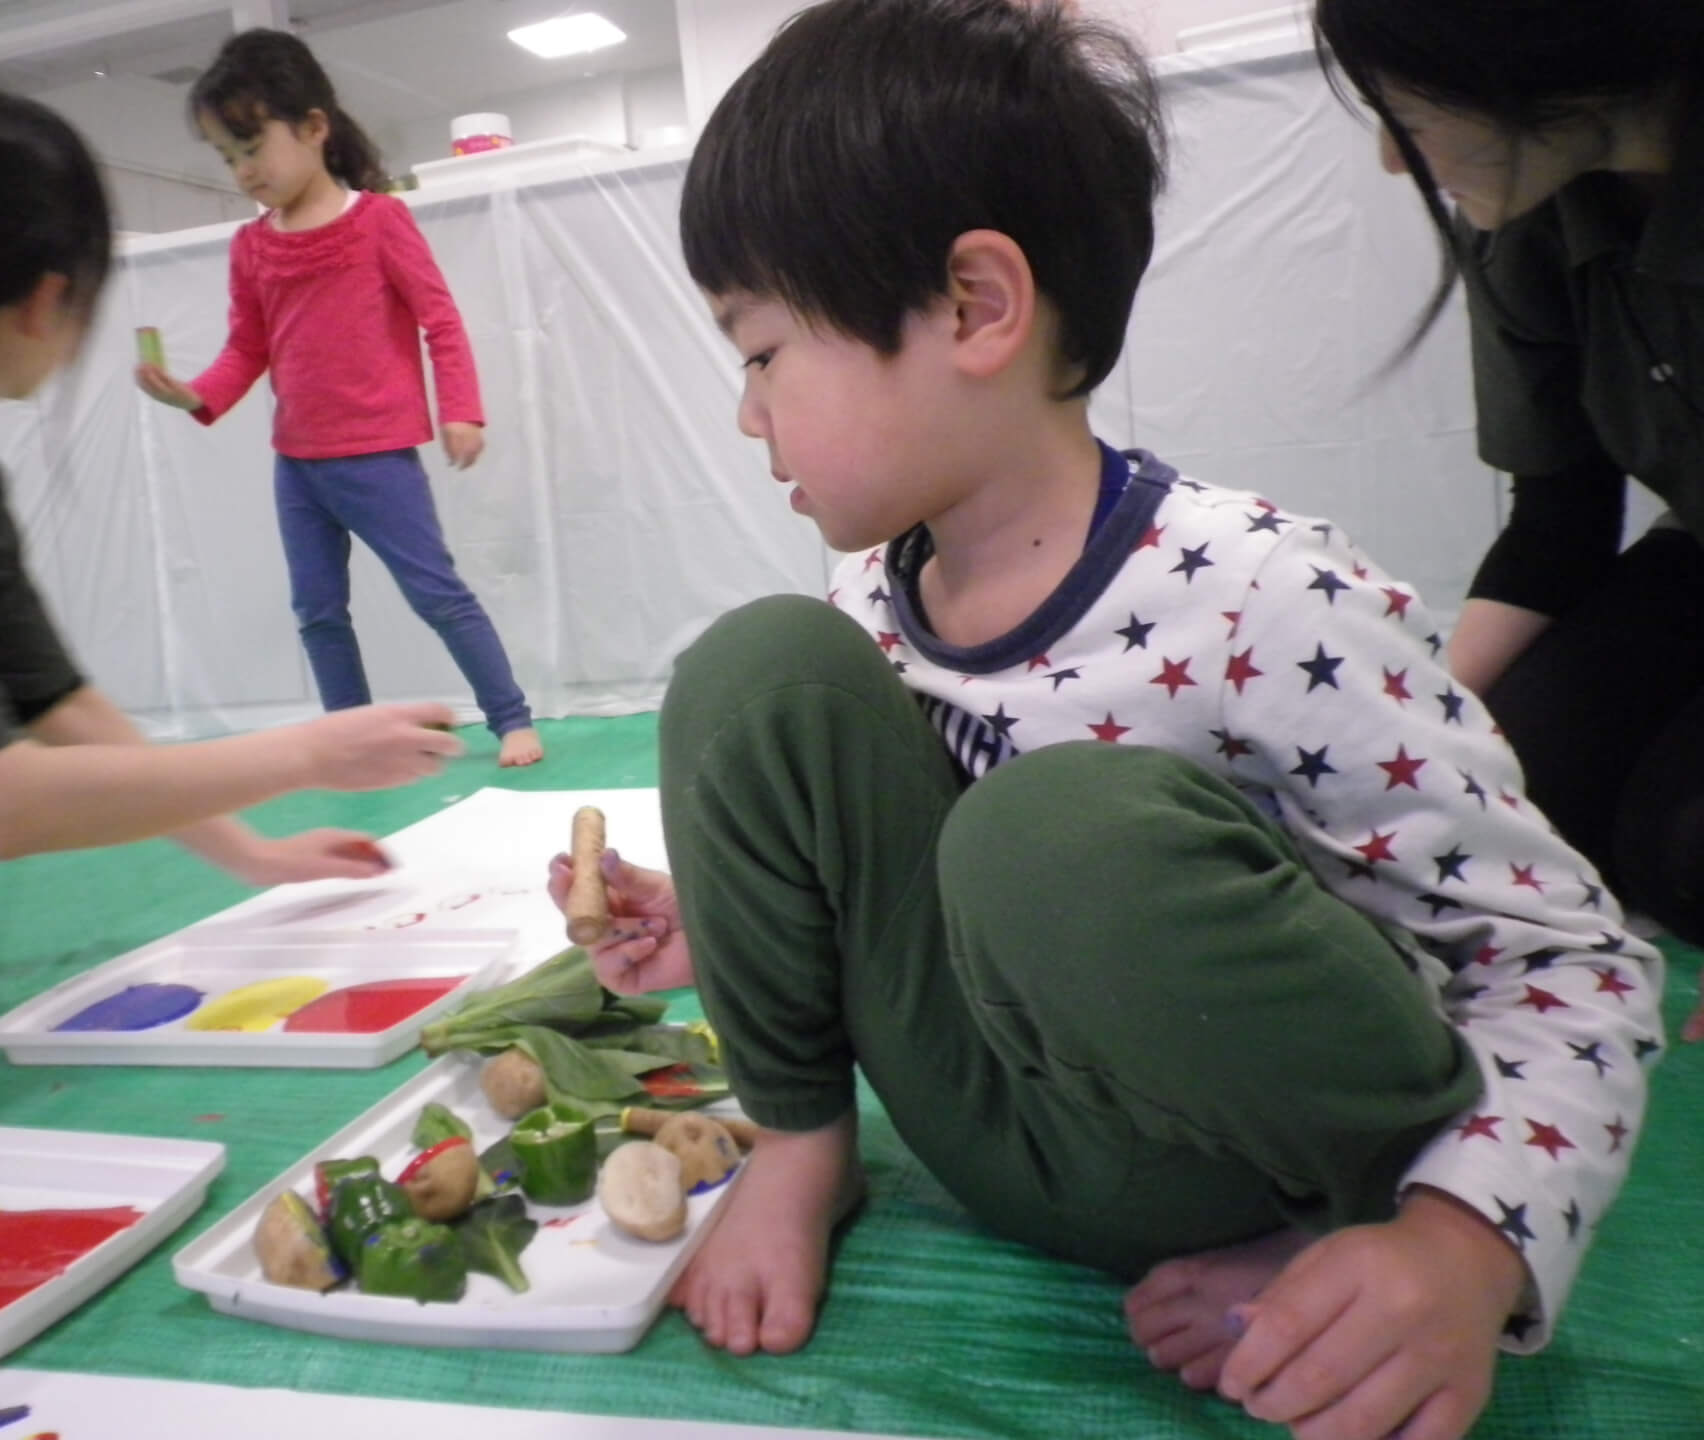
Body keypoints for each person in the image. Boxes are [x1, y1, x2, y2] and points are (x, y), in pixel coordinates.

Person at [548, 3, 1663, 1437]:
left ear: (972, 307)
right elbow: (916, 901)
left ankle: (1351, 1215)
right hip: (986, 1125)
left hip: (1227, 1158)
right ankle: (802, 1154)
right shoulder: (866, 597)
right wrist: (737, 919)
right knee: (749, 673)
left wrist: (1460, 1241)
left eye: (762, 352)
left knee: (1048, 834)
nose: (747, 415)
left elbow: (1575, 960)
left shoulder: (1266, 596)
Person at [0, 74, 464, 1122]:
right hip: (317, 456)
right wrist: (311, 752)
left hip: (359, 450)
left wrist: (250, 851)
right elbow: (1, 804)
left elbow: (49, 699)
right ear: (47, 297)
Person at [1313, 0, 1704, 1042]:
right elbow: (1560, 519)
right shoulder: (1532, 218)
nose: (1398, 162)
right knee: (1514, 796)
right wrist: (1413, 737)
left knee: (1685, 846)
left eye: (1405, 113)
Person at [135, 30, 542, 768]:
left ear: (315, 128)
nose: (243, 171)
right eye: (228, 157)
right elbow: (248, 348)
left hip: (378, 457)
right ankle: (348, 743)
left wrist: (462, 408)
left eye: (252, 146)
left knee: (436, 594)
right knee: (318, 614)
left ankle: (511, 717)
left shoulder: (380, 221)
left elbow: (439, 319)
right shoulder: (252, 248)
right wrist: (192, 393)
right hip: (297, 466)